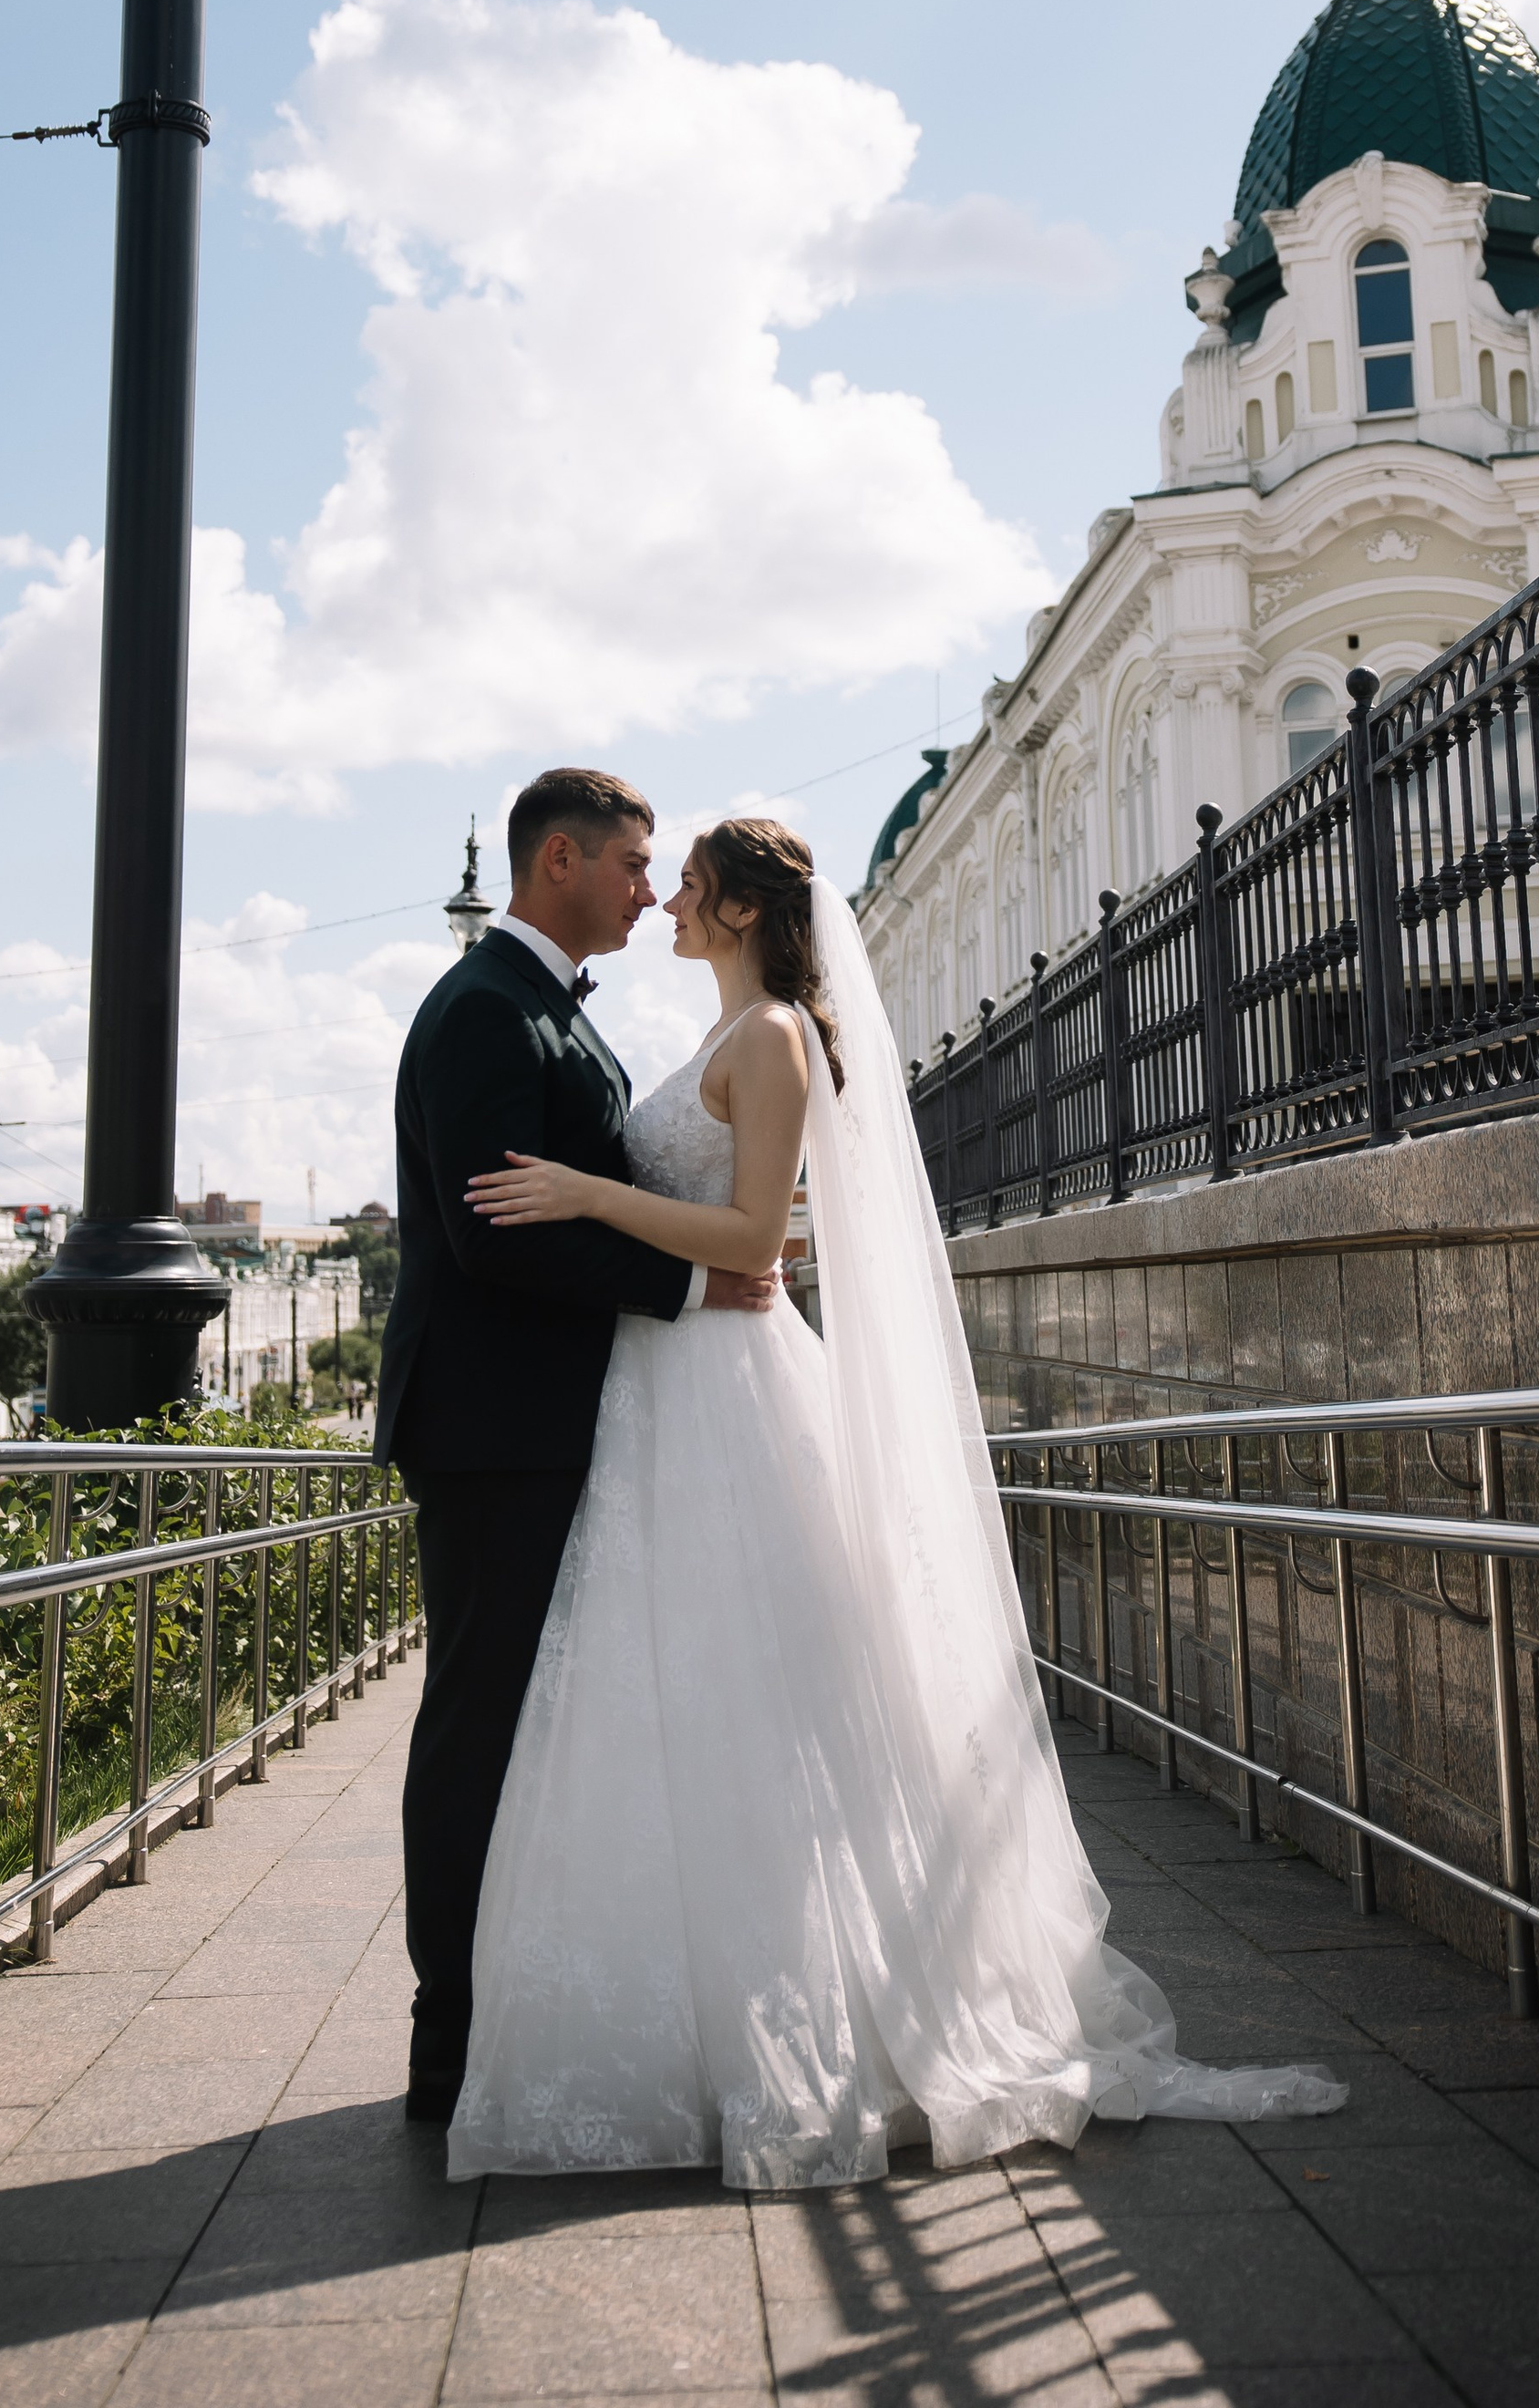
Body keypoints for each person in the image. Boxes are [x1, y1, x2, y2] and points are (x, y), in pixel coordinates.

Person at [445, 815, 1343, 2191]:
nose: (666, 901)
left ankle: (811, 2025)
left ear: (744, 909)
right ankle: (689, 2022)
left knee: (758, 1699)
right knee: (669, 1691)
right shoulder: (716, 1041)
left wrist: (579, 1192)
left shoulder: (777, 1042)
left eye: (684, 883)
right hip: (667, 1386)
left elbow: (753, 1240)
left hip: (724, 1378)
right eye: (658, 877)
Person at [374, 768, 780, 2122]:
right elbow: (497, 1231)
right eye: (630, 864)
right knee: (482, 1722)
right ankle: (452, 2034)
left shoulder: (540, 1008)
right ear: (560, 859)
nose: (648, 888)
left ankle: (509, 2007)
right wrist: (686, 1287)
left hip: (553, 1420)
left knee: (535, 1722)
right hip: (494, 1428)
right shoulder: (489, 1010)